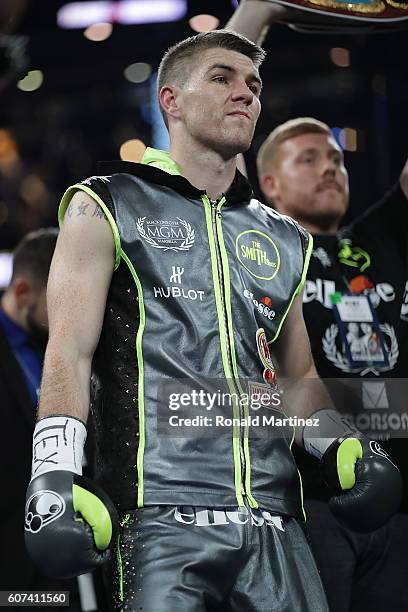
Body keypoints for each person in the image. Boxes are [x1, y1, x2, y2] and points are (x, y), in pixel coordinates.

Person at [24, 30, 401, 612]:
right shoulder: (105, 203)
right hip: (159, 523)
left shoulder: (284, 236)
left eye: (253, 85)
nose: (245, 94)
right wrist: (51, 477)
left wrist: (345, 450)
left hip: (277, 524)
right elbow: (67, 351)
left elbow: (298, 382)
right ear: (170, 101)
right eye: (221, 78)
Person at [228, 4, 408, 609]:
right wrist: (258, 11)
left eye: (335, 157)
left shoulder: (379, 243)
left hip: (396, 499)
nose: (330, 166)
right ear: (268, 183)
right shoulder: (254, 245)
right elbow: (211, 125)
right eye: (308, 158)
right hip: (306, 501)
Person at [0, 228, 83, 609]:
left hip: (59, 553)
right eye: (56, 302)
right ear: (21, 294)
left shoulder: (71, 350)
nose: (68, 316)